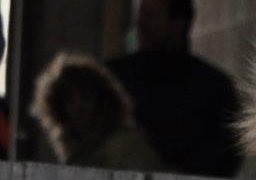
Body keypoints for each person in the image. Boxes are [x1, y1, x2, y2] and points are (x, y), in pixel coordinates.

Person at [108, 0, 241, 178]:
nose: (141, 24)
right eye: (141, 15)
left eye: (152, 16)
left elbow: (225, 153)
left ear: (178, 23)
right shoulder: (114, 79)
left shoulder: (213, 87)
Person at [31, 52, 165, 171]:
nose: (78, 107)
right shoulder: (80, 153)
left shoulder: (124, 147)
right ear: (59, 109)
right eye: (69, 100)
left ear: (101, 100)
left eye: (85, 97)